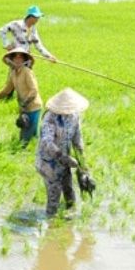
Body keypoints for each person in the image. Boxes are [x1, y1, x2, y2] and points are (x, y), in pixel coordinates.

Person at [35, 87, 89, 218]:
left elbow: (77, 141)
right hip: (49, 162)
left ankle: (70, 224)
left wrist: (83, 167)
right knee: (54, 195)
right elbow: (46, 142)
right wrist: (62, 157)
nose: (68, 112)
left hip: (65, 160)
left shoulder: (75, 116)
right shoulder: (50, 118)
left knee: (69, 190)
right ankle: (51, 224)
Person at [0, 49, 43, 145]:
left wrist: (25, 104)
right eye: (15, 57)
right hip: (24, 108)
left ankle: (33, 150)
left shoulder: (27, 72)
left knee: (24, 140)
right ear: (11, 59)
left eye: (20, 57)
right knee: (29, 136)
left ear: (24, 59)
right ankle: (36, 146)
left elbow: (34, 90)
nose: (17, 59)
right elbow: (6, 90)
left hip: (33, 107)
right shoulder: (13, 73)